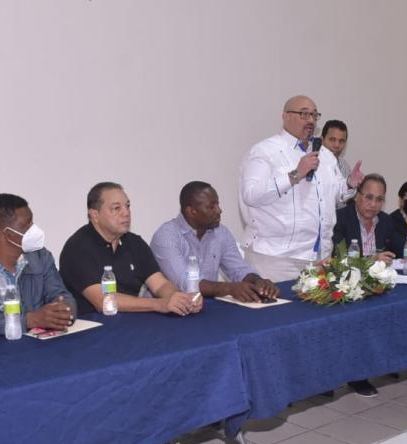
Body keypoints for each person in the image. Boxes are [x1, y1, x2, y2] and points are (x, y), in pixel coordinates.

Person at [239, 95, 363, 281]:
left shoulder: (326, 155)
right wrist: (295, 174)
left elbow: (335, 195)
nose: (311, 120)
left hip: (319, 258)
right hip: (276, 259)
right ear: (286, 116)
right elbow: (251, 195)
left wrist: (349, 184)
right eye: (304, 114)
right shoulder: (265, 151)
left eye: (314, 115)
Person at [329, 174, 407, 397]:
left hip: (376, 286)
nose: (373, 204)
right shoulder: (340, 218)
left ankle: (386, 361)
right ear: (357, 197)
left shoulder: (385, 221)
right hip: (345, 286)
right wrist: (369, 260)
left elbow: (402, 245)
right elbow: (336, 256)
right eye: (368, 197)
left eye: (379, 199)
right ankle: (356, 375)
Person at [59, 182, 201, 316]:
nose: (126, 213)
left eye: (127, 206)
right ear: (95, 215)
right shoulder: (78, 248)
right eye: (116, 208)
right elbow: (104, 302)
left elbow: (160, 284)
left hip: (130, 324)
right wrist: (159, 304)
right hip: (90, 327)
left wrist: (180, 299)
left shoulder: (134, 243)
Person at [0, 194, 75, 334]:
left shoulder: (40, 255)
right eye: (27, 226)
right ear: (8, 234)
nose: (35, 230)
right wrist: (29, 320)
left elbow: (61, 295)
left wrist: (62, 312)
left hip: (38, 343)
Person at [150, 181, 279, 303]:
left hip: (206, 307)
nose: (219, 210)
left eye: (218, 204)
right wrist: (229, 288)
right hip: (167, 313)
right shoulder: (166, 236)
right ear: (191, 211)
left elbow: (239, 269)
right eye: (211, 207)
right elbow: (186, 284)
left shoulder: (221, 233)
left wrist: (258, 281)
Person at [320, 119, 358, 208]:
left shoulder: (344, 166)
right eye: (332, 140)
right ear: (322, 140)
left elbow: (347, 200)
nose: (337, 145)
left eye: (341, 141)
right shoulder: (312, 162)